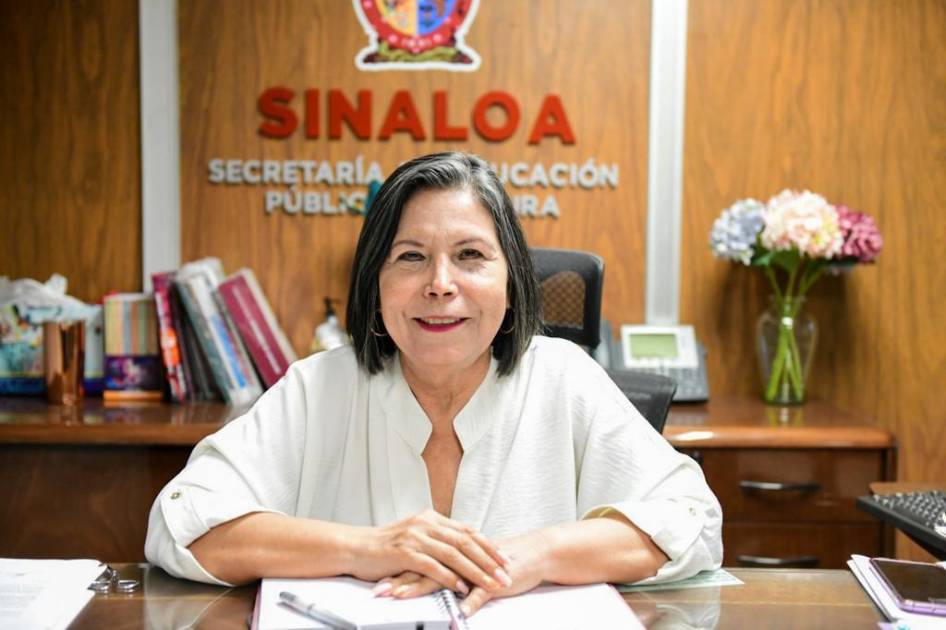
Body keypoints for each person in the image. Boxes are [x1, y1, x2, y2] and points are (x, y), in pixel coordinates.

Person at [145, 152, 722, 616]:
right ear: (374, 283)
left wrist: (535, 554)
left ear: (512, 281)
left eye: (470, 255)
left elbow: (693, 522)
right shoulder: (319, 387)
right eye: (411, 257)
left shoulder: (564, 377)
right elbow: (181, 524)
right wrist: (367, 548)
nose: (440, 284)